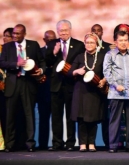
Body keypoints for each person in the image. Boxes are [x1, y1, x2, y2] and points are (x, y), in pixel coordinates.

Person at [0, 24, 46, 152]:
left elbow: (42, 62)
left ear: (24, 34)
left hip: (28, 83)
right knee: (10, 115)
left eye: (17, 34)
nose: (14, 36)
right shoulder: (7, 47)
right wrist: (16, 64)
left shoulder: (33, 45)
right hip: (13, 83)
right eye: (13, 33)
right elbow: (2, 62)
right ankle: (9, 144)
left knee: (29, 114)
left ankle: (30, 144)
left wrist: (41, 70)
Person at [45, 20, 85, 151]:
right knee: (56, 115)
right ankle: (57, 143)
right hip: (56, 84)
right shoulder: (52, 44)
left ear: (70, 30)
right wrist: (54, 53)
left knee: (70, 116)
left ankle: (70, 143)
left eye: (66, 30)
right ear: (57, 31)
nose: (63, 33)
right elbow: (47, 62)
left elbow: (80, 63)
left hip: (71, 85)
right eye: (61, 31)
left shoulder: (78, 45)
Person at [103, 30, 129, 153]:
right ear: (115, 41)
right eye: (121, 40)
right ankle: (113, 145)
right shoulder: (110, 55)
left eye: (125, 40)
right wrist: (115, 85)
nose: (123, 43)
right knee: (115, 120)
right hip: (116, 93)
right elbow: (107, 72)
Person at [68, 32, 107, 152]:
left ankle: (91, 143)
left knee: (93, 118)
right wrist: (76, 72)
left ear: (97, 44)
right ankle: (82, 144)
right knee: (81, 119)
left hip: (95, 92)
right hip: (81, 91)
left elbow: (107, 72)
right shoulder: (79, 56)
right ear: (84, 44)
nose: (89, 44)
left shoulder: (102, 57)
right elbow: (69, 72)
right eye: (87, 42)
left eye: (92, 42)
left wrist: (104, 80)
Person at [91, 24, 111, 148]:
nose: (97, 33)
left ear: (102, 32)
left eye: (99, 31)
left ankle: (108, 143)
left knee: (106, 117)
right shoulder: (86, 48)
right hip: (91, 88)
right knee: (92, 116)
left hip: (106, 88)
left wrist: (105, 81)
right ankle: (90, 142)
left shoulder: (109, 47)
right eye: (94, 31)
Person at [36, 30, 56, 150]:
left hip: (57, 90)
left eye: (54, 39)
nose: (52, 41)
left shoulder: (60, 52)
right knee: (43, 118)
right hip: (43, 90)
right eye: (49, 39)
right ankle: (43, 144)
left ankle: (57, 143)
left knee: (57, 120)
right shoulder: (40, 52)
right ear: (44, 40)